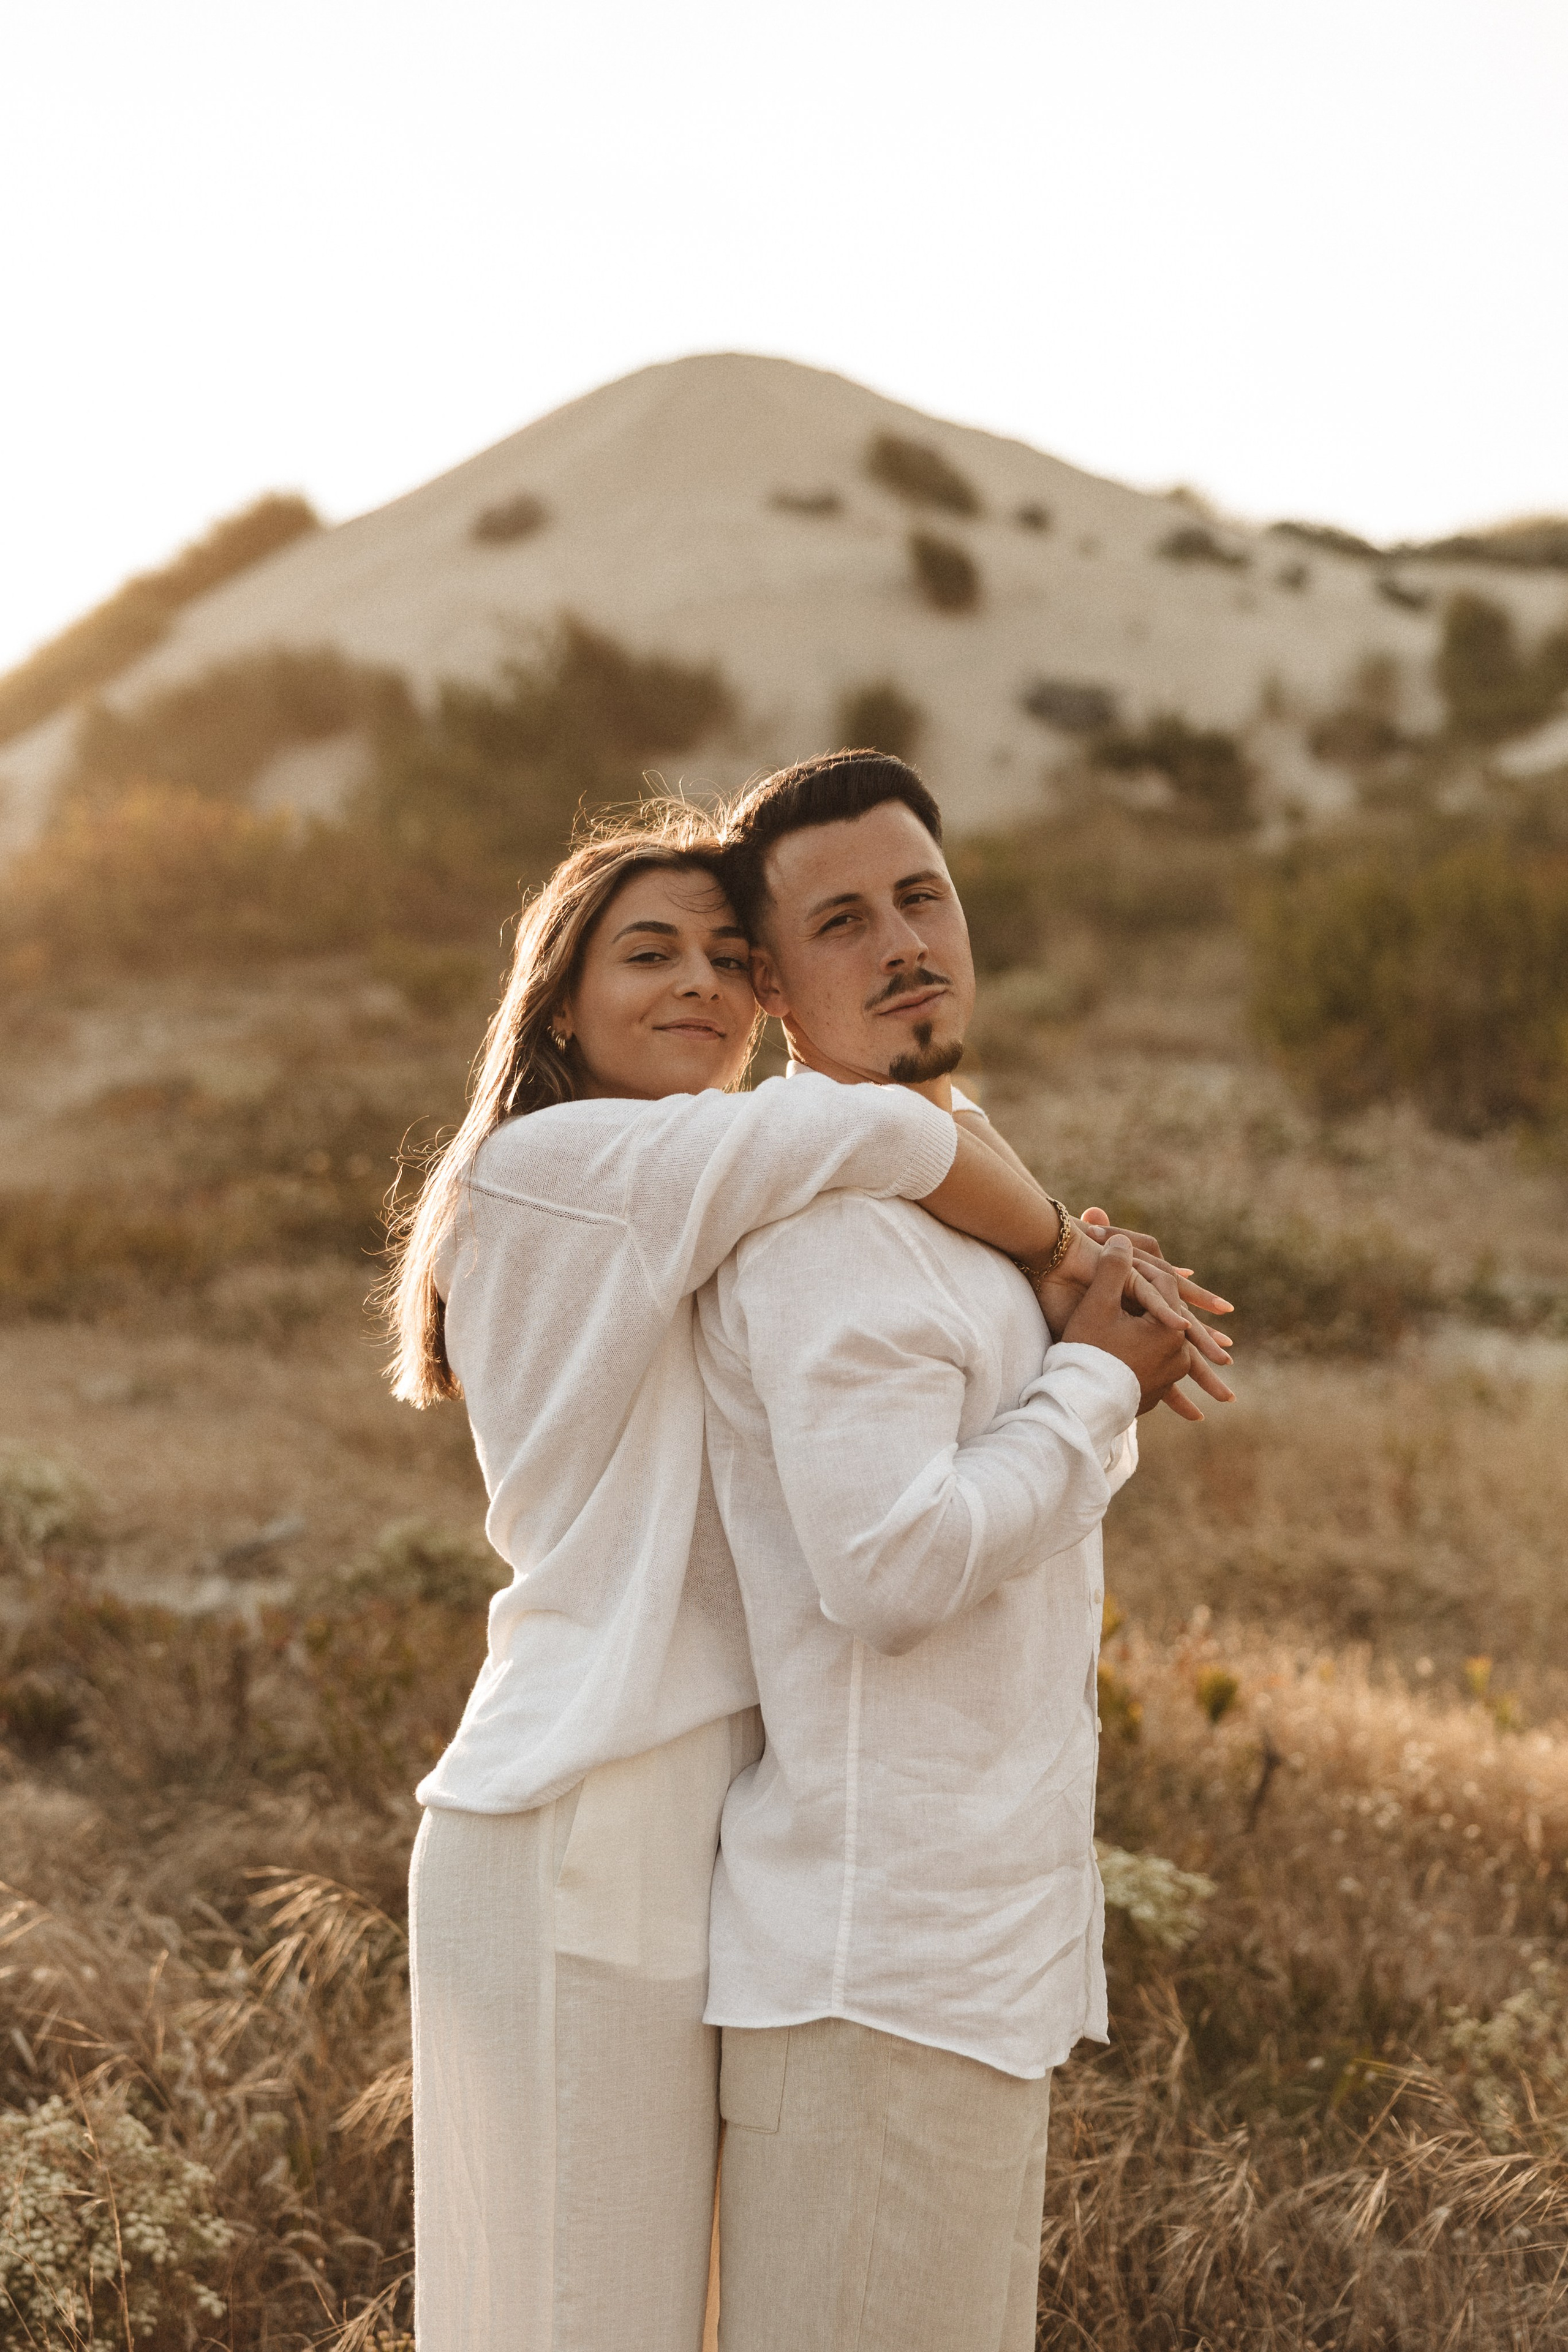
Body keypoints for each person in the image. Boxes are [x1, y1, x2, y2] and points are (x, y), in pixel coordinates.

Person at [384, 800, 1224, 2352]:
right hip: (578, 1801)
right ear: (554, 1003)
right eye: (648, 953)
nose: (697, 983)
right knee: (567, 2327)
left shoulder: (702, 1191)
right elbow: (889, 1129)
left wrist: (1041, 1300)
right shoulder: (561, 1167)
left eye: (721, 953)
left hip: (687, 1808)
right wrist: (1057, 1254)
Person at [698, 751, 1226, 2352]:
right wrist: (1092, 1383)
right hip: (877, 1983)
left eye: (921, 896)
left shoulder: (951, 1165)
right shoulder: (836, 1232)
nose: (904, 942)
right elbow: (890, 1568)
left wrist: (1067, 1328)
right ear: (775, 983)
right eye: (843, 921)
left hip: (964, 1964)